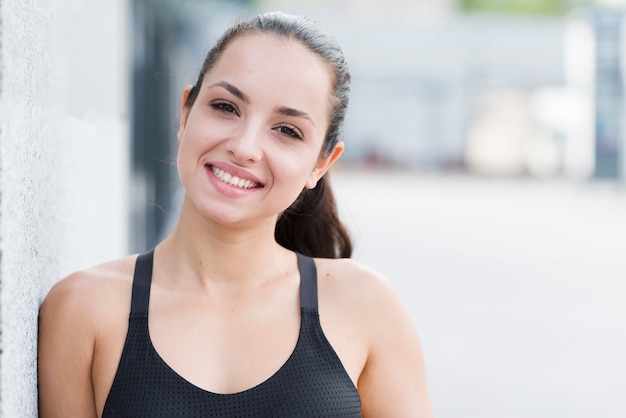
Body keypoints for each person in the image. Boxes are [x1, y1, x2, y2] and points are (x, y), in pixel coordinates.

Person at [38, 11, 434, 417]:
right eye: (226, 106)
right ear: (185, 113)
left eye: (287, 130)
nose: (244, 147)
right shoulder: (85, 308)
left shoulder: (364, 306)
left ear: (321, 164)